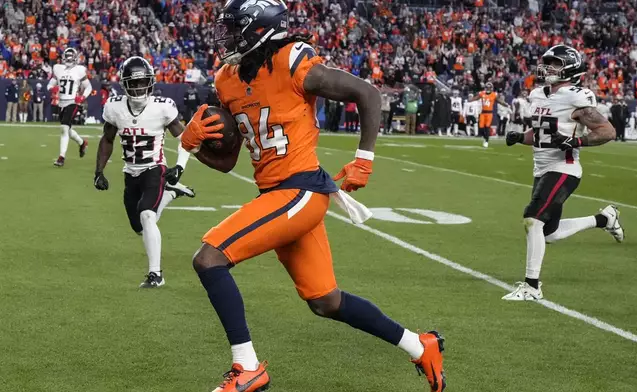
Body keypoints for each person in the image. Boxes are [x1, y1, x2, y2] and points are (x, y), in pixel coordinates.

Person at [179, 1, 446, 391]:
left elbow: (367, 93)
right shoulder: (228, 79)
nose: (228, 38)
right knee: (325, 301)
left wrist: (364, 160)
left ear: (260, 31)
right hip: (277, 194)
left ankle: (247, 367)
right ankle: (419, 346)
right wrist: (190, 143)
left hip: (300, 189)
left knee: (209, 257)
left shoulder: (291, 60)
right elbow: (226, 162)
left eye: (235, 29)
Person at [503, 45, 624, 301]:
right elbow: (541, 134)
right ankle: (603, 219)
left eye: (554, 63)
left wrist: (577, 142)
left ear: (569, 68)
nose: (547, 68)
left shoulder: (575, 96)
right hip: (542, 168)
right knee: (549, 232)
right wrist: (520, 137)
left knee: (532, 219)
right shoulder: (538, 94)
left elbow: (607, 131)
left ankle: (532, 287)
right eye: (547, 62)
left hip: (565, 168)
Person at [94, 56, 196, 288]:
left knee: (147, 215)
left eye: (143, 82)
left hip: (154, 168)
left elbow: (186, 140)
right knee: (140, 227)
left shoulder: (162, 107)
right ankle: (170, 193)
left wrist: (179, 166)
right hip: (130, 172)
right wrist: (98, 171)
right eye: (134, 82)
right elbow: (107, 139)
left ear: (150, 82)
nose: (139, 87)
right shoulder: (114, 107)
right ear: (124, 83)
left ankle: (156, 275)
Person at [47, 48, 91, 167]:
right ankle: (82, 143)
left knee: (64, 128)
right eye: (67, 58)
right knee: (67, 129)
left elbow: (89, 87)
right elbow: (50, 84)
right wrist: (52, 88)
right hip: (61, 102)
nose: (69, 60)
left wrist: (82, 97)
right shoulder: (58, 68)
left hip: (72, 102)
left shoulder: (80, 70)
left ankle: (61, 157)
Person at [470, 82, 509, 147]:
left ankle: (486, 141)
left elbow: (499, 101)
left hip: (489, 113)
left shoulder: (494, 95)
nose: (488, 89)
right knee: (481, 127)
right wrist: (470, 100)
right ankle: (485, 138)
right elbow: (476, 98)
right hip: (483, 113)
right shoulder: (482, 93)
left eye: (489, 87)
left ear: (491, 88)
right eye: (487, 87)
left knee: (487, 127)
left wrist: (505, 104)